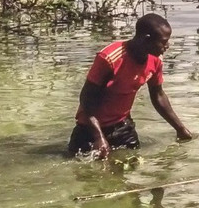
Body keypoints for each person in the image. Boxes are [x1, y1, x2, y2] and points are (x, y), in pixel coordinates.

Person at [67, 12, 192, 158]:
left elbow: (158, 96)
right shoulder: (109, 58)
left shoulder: (155, 60)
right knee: (88, 175)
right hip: (89, 130)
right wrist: (99, 137)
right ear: (147, 39)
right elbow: (86, 100)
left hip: (123, 127)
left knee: (129, 170)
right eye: (164, 42)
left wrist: (180, 129)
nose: (167, 46)